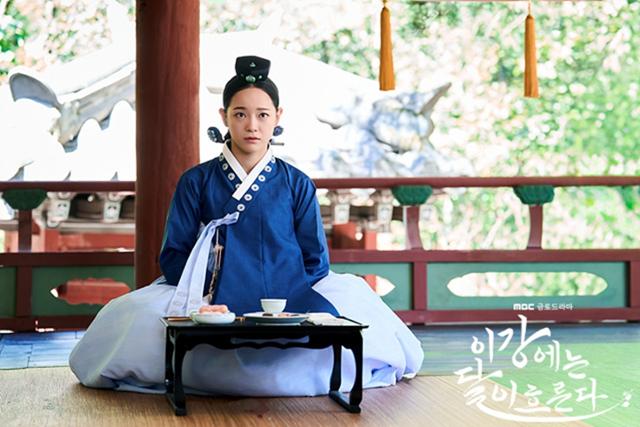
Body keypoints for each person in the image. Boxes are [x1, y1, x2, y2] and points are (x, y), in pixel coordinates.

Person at [69, 56, 423, 396]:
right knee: (133, 314)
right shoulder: (196, 181)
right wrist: (207, 292)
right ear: (224, 116)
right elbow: (174, 254)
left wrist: (280, 297)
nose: (252, 125)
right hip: (210, 293)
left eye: (262, 114)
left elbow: (315, 260)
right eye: (240, 114)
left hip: (288, 290)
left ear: (278, 116)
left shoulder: (297, 183)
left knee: (357, 309)